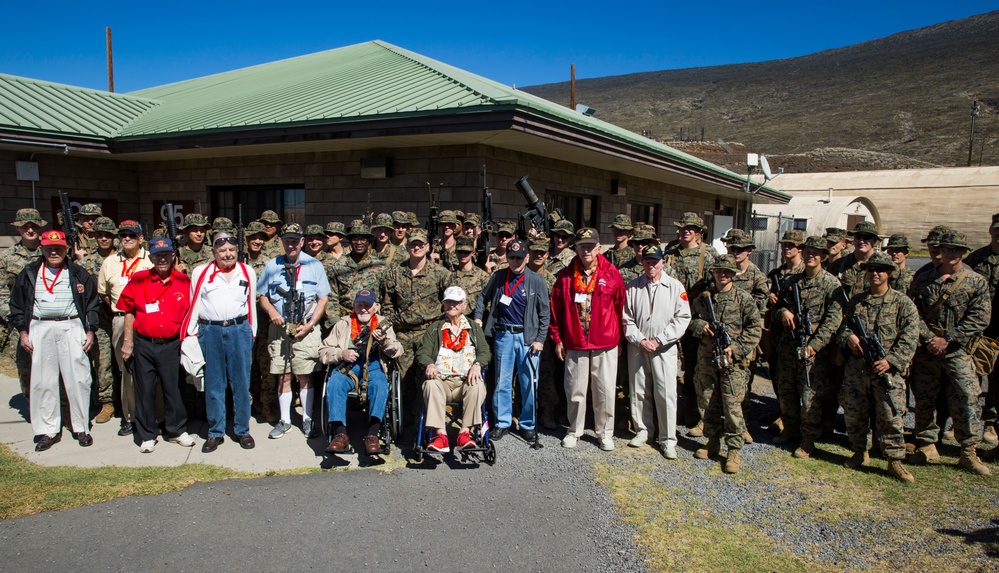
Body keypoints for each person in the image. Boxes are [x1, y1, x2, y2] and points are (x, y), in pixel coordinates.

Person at [907, 231, 991, 475]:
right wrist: (930, 338)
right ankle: (926, 444)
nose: (950, 253)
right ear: (940, 250)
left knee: (967, 395)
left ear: (962, 252)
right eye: (946, 249)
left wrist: (948, 339)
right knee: (924, 397)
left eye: (956, 250)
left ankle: (968, 452)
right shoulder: (923, 279)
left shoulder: (975, 281)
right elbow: (913, 313)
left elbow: (980, 317)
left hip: (957, 349)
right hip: (928, 348)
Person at [10, 230, 99, 451]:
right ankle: (48, 430)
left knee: (79, 378)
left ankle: (81, 427)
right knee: (43, 381)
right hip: (41, 327)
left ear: (66, 249)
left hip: (71, 325)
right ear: (42, 249)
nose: (54, 252)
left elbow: (91, 303)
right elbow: (17, 305)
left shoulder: (78, 273)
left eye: (58, 248)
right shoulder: (29, 273)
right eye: (49, 248)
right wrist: (23, 331)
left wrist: (90, 330)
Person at [837, 252, 920, 481]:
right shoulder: (856, 301)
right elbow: (843, 327)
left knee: (891, 415)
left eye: (880, 270)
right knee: (854, 413)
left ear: (889, 274)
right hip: (857, 370)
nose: (875, 273)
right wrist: (848, 337)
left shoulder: (902, 303)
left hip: (887, 371)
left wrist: (891, 361)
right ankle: (859, 451)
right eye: (871, 269)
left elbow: (910, 336)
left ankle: (894, 461)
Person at [549, 227, 626, 451]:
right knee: (575, 390)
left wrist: (620, 338)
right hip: (575, 342)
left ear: (599, 248)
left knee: (605, 390)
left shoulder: (611, 273)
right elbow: (556, 310)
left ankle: (605, 433)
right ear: (576, 249)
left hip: (605, 343)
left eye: (590, 246)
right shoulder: (565, 277)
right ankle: (574, 430)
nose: (586, 251)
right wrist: (558, 339)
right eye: (582, 246)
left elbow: (621, 306)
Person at [117, 237, 195, 453]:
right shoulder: (138, 280)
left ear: (173, 256)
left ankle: (177, 430)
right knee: (145, 390)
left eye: (166, 255)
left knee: (174, 390)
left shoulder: (183, 281)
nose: (162, 259)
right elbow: (129, 311)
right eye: (158, 255)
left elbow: (192, 312)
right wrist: (128, 342)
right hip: (144, 344)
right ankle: (147, 435)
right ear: (151, 257)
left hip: (172, 344)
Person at [184, 232, 258, 453]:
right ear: (214, 252)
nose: (228, 254)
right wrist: (191, 335)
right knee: (214, 384)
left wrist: (251, 334)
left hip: (239, 330)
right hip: (211, 331)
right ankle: (215, 432)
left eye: (232, 250)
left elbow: (251, 305)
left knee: (241, 384)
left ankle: (242, 429)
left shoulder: (247, 271)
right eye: (222, 250)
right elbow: (194, 303)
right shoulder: (201, 272)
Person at [257, 223, 332, 439]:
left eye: (295, 240)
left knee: (305, 374)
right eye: (287, 240)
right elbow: (263, 296)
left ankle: (307, 419)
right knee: (283, 375)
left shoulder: (314, 265)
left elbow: (323, 298)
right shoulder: (272, 265)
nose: (291, 244)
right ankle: (285, 420)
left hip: (305, 327)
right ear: (282, 242)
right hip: (280, 328)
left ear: (302, 241)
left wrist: (311, 324)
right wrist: (272, 312)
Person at [688, 255, 762, 473]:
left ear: (733, 274)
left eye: (727, 271)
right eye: (719, 270)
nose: (723, 274)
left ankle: (734, 450)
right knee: (707, 401)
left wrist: (736, 348)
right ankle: (712, 441)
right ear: (713, 272)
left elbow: (754, 328)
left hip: (732, 363)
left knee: (732, 406)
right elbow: (688, 318)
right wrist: (701, 326)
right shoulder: (704, 298)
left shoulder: (743, 299)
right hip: (707, 359)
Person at [772, 236, 844, 455]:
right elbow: (777, 306)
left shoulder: (831, 284)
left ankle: (808, 439)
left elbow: (833, 320)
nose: (811, 255)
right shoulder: (792, 282)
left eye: (816, 252)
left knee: (810, 395)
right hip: (788, 347)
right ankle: (791, 430)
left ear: (823, 256)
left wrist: (815, 345)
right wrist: (783, 312)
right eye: (808, 251)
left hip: (813, 350)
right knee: (787, 391)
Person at [474, 238, 550, 441]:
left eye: (519, 257)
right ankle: (502, 422)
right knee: (502, 382)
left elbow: (545, 312)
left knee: (528, 384)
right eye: (512, 257)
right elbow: (483, 297)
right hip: (504, 336)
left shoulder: (536, 280)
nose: (516, 261)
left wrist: (540, 339)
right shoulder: (499, 276)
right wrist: (479, 317)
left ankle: (527, 424)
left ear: (527, 257)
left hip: (528, 338)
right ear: (507, 258)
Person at [622, 244, 691, 459]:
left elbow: (683, 318)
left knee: (666, 393)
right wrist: (640, 340)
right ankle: (643, 430)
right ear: (642, 263)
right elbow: (626, 319)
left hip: (665, 348)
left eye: (655, 261)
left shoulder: (675, 287)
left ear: (663, 262)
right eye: (647, 261)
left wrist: (660, 339)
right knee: (639, 390)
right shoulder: (633, 286)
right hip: (638, 346)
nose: (651, 265)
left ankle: (667, 439)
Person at [319, 289, 403, 455]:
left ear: (375, 307)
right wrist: (341, 353)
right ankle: (340, 434)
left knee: (380, 385)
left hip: (373, 365)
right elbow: (323, 351)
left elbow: (398, 350)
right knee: (335, 382)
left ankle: (372, 435)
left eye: (367, 305)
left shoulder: (383, 324)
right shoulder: (343, 324)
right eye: (360, 305)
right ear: (354, 306)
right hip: (347, 366)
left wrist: (384, 342)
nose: (363, 309)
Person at [416, 286, 491, 452]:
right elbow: (422, 352)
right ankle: (440, 436)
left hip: (465, 382)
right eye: (448, 302)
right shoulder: (435, 327)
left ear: (464, 305)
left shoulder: (473, 327)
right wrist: (429, 364)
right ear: (443, 305)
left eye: (456, 302)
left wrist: (477, 364)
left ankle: (465, 433)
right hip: (441, 382)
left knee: (478, 385)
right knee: (430, 384)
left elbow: (485, 352)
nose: (452, 305)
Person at [97, 220, 153, 436]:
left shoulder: (152, 259)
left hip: (148, 318)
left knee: (151, 369)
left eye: (132, 235)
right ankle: (130, 417)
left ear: (140, 238)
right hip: (121, 319)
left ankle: (154, 416)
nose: (127, 239)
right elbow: (104, 293)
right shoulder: (110, 262)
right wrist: (120, 310)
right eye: (123, 235)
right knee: (127, 370)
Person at [670, 212, 719, 429]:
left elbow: (716, 284)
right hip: (673, 317)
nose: (686, 231)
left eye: (690, 228)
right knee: (675, 366)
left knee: (697, 367)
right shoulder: (671, 252)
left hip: (696, 319)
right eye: (683, 227)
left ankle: (698, 411)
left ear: (699, 232)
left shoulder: (709, 254)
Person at [0, 208, 47, 400]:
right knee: (25, 367)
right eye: (25, 226)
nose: (30, 230)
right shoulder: (7, 257)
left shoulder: (50, 251)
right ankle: (31, 403)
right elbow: (2, 289)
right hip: (21, 321)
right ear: (18, 228)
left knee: (50, 364)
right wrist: (12, 316)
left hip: (47, 318)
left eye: (34, 226)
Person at [964, 213, 999, 445]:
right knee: (971, 377)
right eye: (997, 229)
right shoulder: (976, 259)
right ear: (990, 230)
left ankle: (991, 422)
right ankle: (967, 422)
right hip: (978, 328)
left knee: (997, 378)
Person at [85, 216, 119, 424]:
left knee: (125, 361)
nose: (104, 239)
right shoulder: (85, 261)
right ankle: (107, 401)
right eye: (100, 235)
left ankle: (124, 400)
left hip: (122, 316)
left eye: (108, 235)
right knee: (103, 362)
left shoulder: (122, 258)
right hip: (101, 320)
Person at [327, 220, 386, 317]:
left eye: (363, 239)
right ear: (350, 241)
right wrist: (335, 321)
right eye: (355, 239)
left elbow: (387, 298)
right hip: (345, 317)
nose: (359, 243)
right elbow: (331, 297)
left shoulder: (380, 266)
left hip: (372, 318)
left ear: (369, 242)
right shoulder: (337, 266)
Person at [453, 236, 490, 316]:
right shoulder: (449, 276)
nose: (463, 255)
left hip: (476, 319)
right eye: (460, 251)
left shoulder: (483, 276)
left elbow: (489, 303)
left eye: (466, 252)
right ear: (455, 252)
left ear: (473, 253)